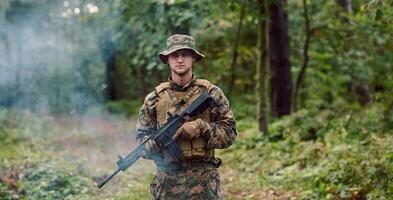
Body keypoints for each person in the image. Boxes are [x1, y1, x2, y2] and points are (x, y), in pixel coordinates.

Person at [136, 34, 237, 200]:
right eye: (175, 55)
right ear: (167, 60)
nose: (180, 59)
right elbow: (142, 138)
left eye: (185, 54)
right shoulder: (154, 99)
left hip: (204, 184)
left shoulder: (211, 93)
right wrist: (149, 146)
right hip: (167, 184)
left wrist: (201, 127)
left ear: (194, 58)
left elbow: (230, 132)